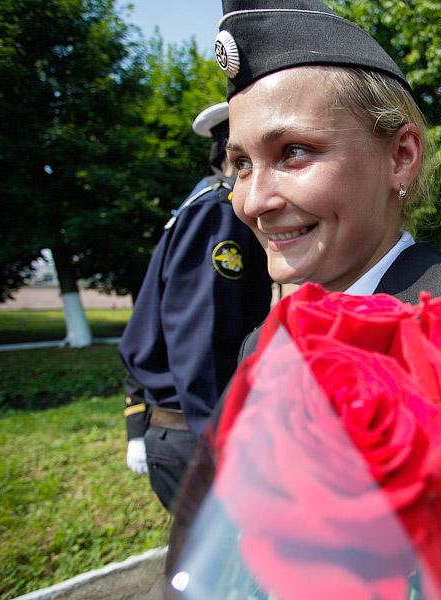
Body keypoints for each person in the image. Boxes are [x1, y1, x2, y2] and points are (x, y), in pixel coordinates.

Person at [164, 0, 441, 580]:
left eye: (293, 152)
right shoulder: (261, 348)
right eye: (241, 164)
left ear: (401, 157)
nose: (252, 200)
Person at [119, 101, 273, 511]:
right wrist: (219, 444)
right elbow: (200, 336)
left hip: (178, 427)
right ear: (232, 155)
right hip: (199, 435)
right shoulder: (219, 214)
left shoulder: (198, 203)